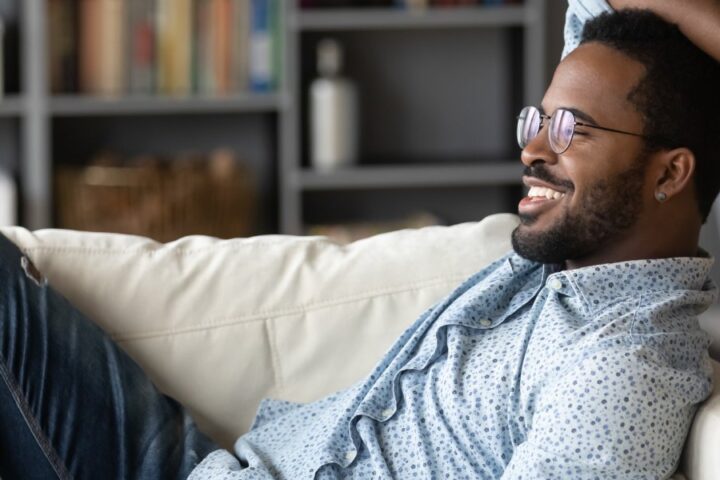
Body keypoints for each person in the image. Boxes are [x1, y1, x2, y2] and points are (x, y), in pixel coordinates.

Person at [2, 3, 720, 480]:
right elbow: (603, 14)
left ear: (670, 173)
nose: (533, 149)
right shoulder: (583, 248)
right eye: (537, 120)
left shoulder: (623, 368)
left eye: (571, 131)